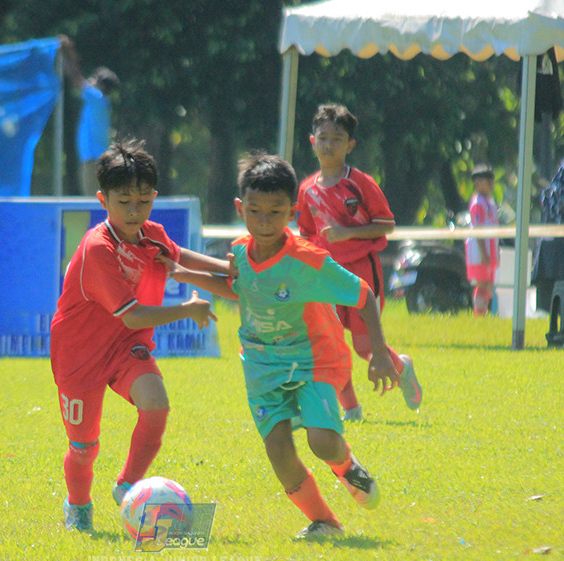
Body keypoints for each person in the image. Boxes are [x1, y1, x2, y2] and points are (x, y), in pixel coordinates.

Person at [162, 152, 401, 540]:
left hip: (312, 361)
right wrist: (183, 273)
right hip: (262, 367)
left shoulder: (306, 260)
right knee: (277, 449)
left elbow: (365, 294)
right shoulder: (240, 251)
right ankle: (325, 522)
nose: (264, 221)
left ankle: (346, 465)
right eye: (255, 211)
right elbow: (240, 289)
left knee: (321, 441)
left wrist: (378, 352)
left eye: (275, 212)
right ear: (241, 208)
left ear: (293, 211)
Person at [51, 139, 226, 533]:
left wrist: (231, 271)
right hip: (79, 355)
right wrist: (187, 309)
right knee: (84, 448)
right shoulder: (98, 248)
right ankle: (78, 507)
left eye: (143, 201)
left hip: (125, 347)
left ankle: (128, 485)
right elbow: (133, 316)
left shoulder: (150, 233)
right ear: (103, 200)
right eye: (124, 201)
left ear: (154, 199)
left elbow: (179, 257)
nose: (134, 211)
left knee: (157, 405)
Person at [296, 104, 422, 420]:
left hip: (361, 271)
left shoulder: (360, 183)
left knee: (364, 348)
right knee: (329, 345)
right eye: (323, 138)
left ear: (350, 145)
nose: (329, 145)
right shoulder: (306, 190)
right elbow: (307, 235)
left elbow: (386, 223)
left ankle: (401, 365)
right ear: (312, 141)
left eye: (337, 139)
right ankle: (351, 411)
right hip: (325, 276)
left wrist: (346, 233)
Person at [58, 35, 121, 196]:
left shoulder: (97, 99)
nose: (91, 80)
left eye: (95, 78)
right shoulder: (99, 101)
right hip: (94, 158)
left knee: (92, 199)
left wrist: (64, 52)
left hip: (93, 159)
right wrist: (69, 50)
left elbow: (76, 77)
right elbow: (79, 76)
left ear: (101, 85)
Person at [465, 164, 499, 316]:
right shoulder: (478, 203)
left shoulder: (490, 202)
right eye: (487, 181)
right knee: (482, 283)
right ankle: (479, 314)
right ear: (478, 183)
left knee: (488, 283)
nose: (491, 184)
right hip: (480, 251)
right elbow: (477, 230)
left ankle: (483, 312)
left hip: (489, 250)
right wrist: (484, 253)